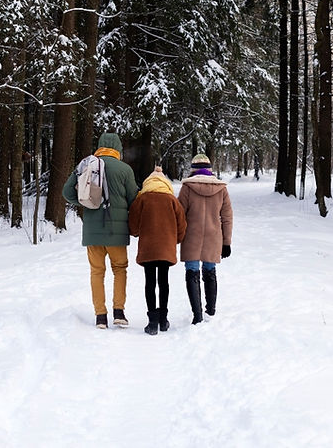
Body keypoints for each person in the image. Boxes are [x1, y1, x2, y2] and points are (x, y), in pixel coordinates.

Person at [63, 132, 139, 329]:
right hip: (117, 231)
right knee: (119, 269)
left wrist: (85, 202)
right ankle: (119, 312)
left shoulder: (87, 165)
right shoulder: (124, 169)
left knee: (97, 271)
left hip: (92, 232)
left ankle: (100, 316)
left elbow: (67, 192)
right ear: (118, 149)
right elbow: (134, 199)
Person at [129, 166, 187, 335]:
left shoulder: (142, 199)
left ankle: (152, 322)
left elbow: (133, 224)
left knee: (149, 283)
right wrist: (175, 240)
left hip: (148, 247)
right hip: (166, 247)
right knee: (163, 282)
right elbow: (182, 224)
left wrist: (137, 232)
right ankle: (164, 319)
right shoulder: (172, 200)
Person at [178, 153, 233, 324]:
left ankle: (197, 314)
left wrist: (177, 236)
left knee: (192, 272)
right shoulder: (221, 189)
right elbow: (227, 217)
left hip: (191, 236)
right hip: (213, 236)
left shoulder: (187, 188)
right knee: (210, 271)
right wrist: (227, 242)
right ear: (210, 169)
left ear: (193, 169)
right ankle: (211, 309)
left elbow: (179, 214)